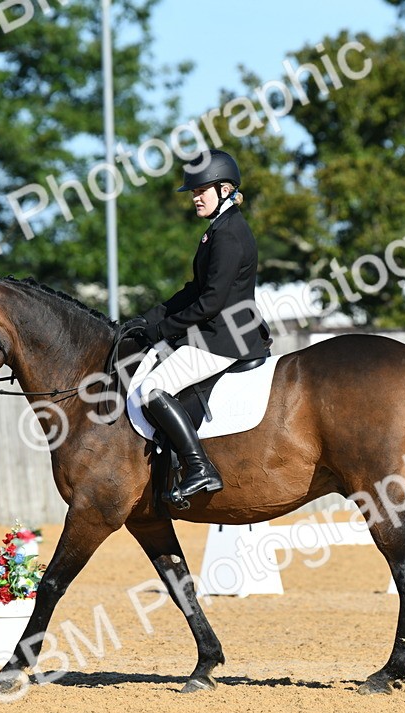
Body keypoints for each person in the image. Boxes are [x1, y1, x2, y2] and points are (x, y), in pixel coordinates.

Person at [127, 149, 271, 500]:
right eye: (193, 192)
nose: (195, 197)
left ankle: (199, 467)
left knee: (152, 388)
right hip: (219, 331)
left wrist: (162, 331)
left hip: (224, 337)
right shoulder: (218, 229)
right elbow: (195, 289)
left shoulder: (228, 234)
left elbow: (210, 303)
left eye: (200, 190)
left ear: (224, 189)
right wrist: (151, 317)